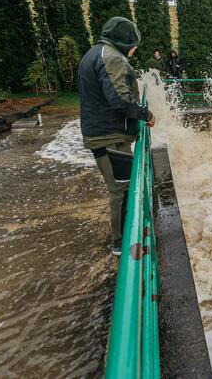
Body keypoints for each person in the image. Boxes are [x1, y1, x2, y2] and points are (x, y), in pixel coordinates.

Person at [78, 16, 155, 256]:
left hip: (104, 132)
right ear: (125, 41)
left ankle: (124, 238)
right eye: (134, 43)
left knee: (122, 187)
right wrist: (145, 114)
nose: (135, 49)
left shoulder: (97, 53)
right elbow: (120, 99)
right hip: (109, 136)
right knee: (121, 190)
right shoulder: (112, 58)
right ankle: (122, 245)